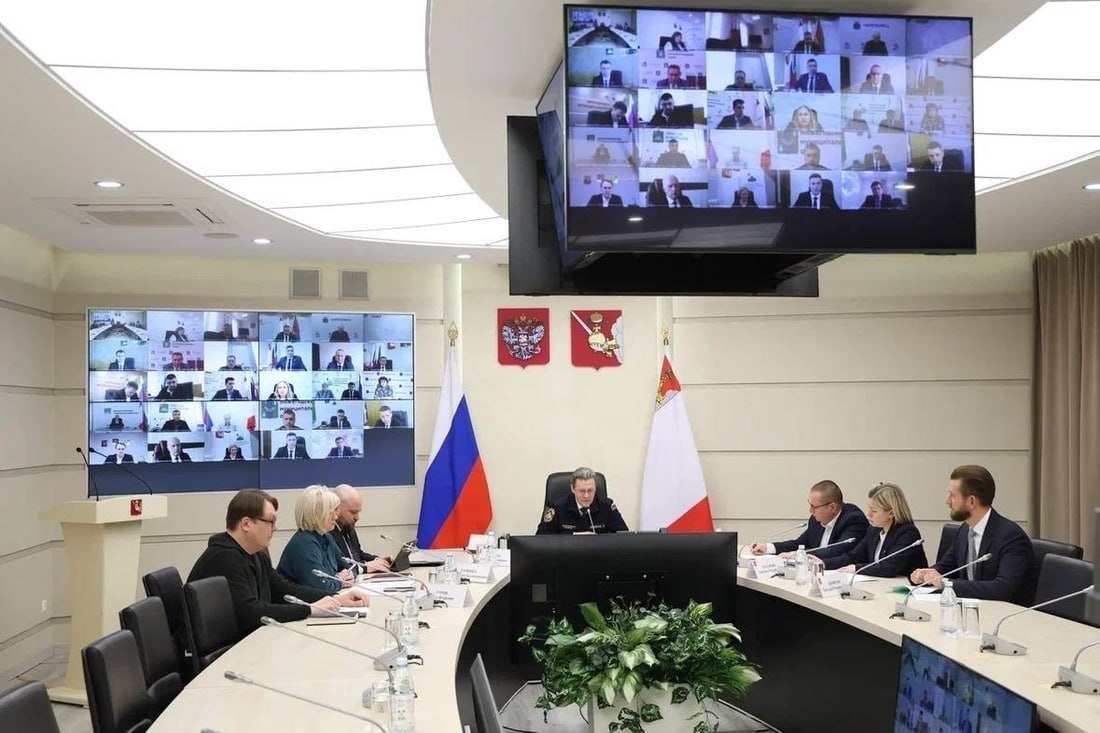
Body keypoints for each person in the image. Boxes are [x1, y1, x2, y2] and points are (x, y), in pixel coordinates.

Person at [187, 489, 368, 633]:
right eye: (270, 522)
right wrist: (310, 609)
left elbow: (283, 589)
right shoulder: (224, 558)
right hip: (224, 655)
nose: (276, 528)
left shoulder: (255, 553)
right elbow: (250, 613)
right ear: (246, 524)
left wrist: (336, 599)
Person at [909, 465, 1036, 604]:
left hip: (1005, 613)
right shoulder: (965, 530)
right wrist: (926, 574)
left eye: (953, 496)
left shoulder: (1011, 537)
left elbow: (1003, 589)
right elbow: (946, 567)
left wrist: (945, 584)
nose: (947, 501)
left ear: (971, 501)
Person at [824, 483, 926, 575]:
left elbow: (889, 567)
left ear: (891, 513)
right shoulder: (873, 530)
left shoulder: (907, 533)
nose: (868, 514)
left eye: (874, 511)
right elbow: (853, 557)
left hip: (907, 588)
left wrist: (857, 568)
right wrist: (823, 564)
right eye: (869, 508)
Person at [750, 480, 868, 558]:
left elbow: (836, 551)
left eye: (814, 506)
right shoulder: (816, 519)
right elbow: (799, 544)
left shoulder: (853, 520)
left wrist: (799, 555)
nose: (810, 511)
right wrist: (768, 547)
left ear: (832, 507)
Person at [276, 486, 353, 592]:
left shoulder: (326, 537)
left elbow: (346, 567)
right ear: (317, 514)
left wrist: (347, 576)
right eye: (331, 512)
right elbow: (322, 587)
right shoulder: (304, 544)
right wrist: (339, 581)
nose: (336, 517)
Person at [537, 466, 629, 534]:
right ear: (572, 489)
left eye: (590, 490)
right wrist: (573, 535)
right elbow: (542, 537)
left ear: (595, 488)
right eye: (582, 491)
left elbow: (623, 536)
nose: (586, 496)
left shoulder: (607, 506)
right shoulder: (556, 507)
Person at [329, 484, 392, 573]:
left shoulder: (348, 527)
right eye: (353, 512)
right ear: (336, 509)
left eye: (358, 512)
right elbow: (339, 564)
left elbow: (358, 555)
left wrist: (379, 560)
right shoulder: (328, 532)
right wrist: (365, 567)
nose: (357, 518)